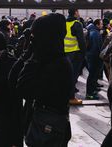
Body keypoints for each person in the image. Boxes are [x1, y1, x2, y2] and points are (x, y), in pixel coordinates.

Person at [16, 13, 72, 147]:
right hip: (41, 125)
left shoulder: (58, 64)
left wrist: (32, 56)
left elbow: (23, 87)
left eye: (35, 35)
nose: (32, 38)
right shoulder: (48, 58)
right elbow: (14, 77)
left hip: (48, 129)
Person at [65, 8, 86, 105]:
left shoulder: (64, 23)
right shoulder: (77, 24)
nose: (79, 13)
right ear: (75, 13)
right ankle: (71, 97)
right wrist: (83, 53)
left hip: (65, 53)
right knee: (73, 76)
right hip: (75, 53)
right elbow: (81, 41)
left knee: (66, 75)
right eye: (78, 11)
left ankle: (65, 96)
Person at [85, 19, 104, 100]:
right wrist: (100, 57)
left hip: (91, 56)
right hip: (94, 57)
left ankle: (92, 90)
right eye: (101, 24)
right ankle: (89, 94)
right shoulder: (95, 33)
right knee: (92, 75)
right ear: (97, 25)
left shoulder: (93, 31)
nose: (102, 25)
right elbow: (97, 47)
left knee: (93, 75)